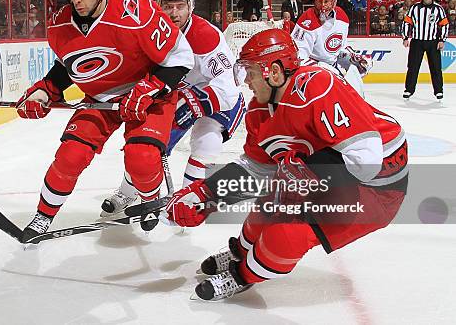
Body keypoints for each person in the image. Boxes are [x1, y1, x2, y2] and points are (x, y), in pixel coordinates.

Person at [160, 28, 409, 301]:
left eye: (252, 72)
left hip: (377, 185)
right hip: (331, 174)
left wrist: (304, 172)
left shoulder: (317, 85)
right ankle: (241, 252)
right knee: (263, 211)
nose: (247, 82)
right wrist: (206, 196)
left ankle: (243, 274)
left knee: (286, 236)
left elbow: (366, 159)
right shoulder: (258, 112)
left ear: (275, 71)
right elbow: (256, 169)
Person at [15, 0, 194, 240]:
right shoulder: (61, 23)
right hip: (100, 99)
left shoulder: (137, 12)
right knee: (69, 157)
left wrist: (151, 88)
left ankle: (149, 199)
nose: (76, 0)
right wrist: (44, 92)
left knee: (142, 158)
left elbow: (181, 58)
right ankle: (42, 216)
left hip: (147, 95)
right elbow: (67, 67)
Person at [101, 0, 245, 216]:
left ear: (191, 6)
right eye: (168, 6)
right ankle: (128, 192)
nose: (174, 12)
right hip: (181, 93)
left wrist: (196, 103)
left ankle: (188, 202)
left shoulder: (204, 35)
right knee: (151, 145)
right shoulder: (150, 30)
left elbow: (228, 87)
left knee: (205, 143)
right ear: (159, 6)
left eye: (180, 5)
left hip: (218, 98)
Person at [291, 0, 371, 95]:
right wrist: (321, 68)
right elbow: (297, 57)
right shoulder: (307, 20)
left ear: (333, 2)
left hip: (332, 70)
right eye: (320, 1)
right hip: (309, 75)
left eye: (326, 1)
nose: (323, 6)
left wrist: (352, 58)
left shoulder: (342, 17)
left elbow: (339, 49)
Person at [402, 0, 450, 101]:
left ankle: (438, 91)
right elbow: (407, 22)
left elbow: (444, 24)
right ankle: (409, 90)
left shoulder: (438, 9)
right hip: (417, 41)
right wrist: (405, 37)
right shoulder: (415, 8)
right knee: (413, 67)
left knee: (436, 67)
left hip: (433, 42)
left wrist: (442, 40)